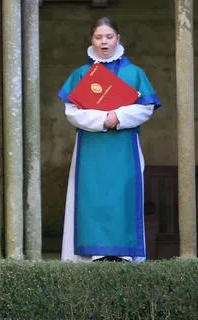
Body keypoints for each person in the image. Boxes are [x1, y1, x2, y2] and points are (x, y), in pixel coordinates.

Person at [58, 16, 159, 262]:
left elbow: (145, 108)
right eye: (98, 37)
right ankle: (92, 255)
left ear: (118, 38)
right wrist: (103, 121)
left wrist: (118, 116)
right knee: (90, 199)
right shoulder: (81, 73)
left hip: (124, 148)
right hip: (91, 148)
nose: (104, 42)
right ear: (92, 39)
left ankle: (123, 256)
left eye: (109, 37)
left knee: (123, 199)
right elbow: (72, 112)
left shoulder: (134, 73)